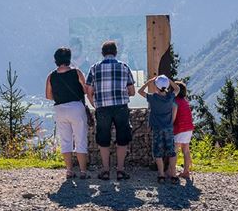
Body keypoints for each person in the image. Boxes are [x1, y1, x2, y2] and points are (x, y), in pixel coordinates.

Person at [85, 40, 136, 181]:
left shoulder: (94, 68)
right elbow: (132, 91)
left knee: (103, 138)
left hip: (102, 108)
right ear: (115, 52)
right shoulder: (124, 67)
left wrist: (94, 103)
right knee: (122, 138)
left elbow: (88, 90)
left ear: (102, 53)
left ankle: (106, 170)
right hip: (120, 107)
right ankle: (120, 170)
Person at [45, 47, 91, 179]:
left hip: (60, 108)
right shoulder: (77, 73)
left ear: (56, 60)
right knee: (80, 138)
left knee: (66, 140)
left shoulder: (51, 76)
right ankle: (83, 171)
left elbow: (48, 96)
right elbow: (85, 88)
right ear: (69, 59)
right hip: (76, 107)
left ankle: (69, 170)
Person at [138, 75, 180, 184]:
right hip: (169, 128)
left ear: (155, 86)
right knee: (171, 152)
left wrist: (149, 82)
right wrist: (169, 80)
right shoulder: (170, 97)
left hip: (157, 128)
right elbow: (177, 89)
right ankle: (174, 175)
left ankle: (161, 175)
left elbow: (140, 91)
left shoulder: (153, 98)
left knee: (158, 152)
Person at [173, 80, 194, 178]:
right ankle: (186, 171)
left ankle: (171, 171)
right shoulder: (185, 102)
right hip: (188, 128)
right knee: (186, 150)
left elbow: (173, 117)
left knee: (175, 150)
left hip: (180, 128)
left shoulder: (175, 102)